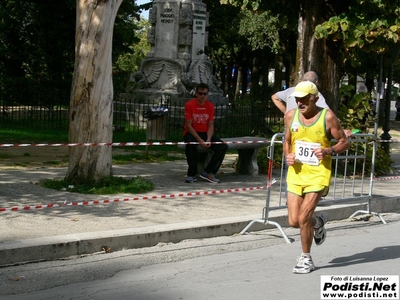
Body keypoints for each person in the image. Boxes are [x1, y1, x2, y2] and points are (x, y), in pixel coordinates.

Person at [284, 81, 349, 274]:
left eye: (304, 98)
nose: (300, 102)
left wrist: (329, 150)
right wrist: (287, 154)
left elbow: (344, 142)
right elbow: (287, 140)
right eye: (297, 98)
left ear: (315, 98)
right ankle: (317, 224)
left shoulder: (327, 117)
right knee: (294, 221)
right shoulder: (290, 116)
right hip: (296, 173)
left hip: (318, 174)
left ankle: (306, 258)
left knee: (304, 216)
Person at [183, 83, 228, 184]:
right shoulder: (189, 105)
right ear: (196, 93)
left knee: (222, 146)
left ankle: (208, 172)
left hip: (205, 132)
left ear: (207, 94)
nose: (202, 96)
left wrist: (208, 139)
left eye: (205, 94)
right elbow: (189, 125)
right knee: (190, 146)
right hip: (192, 132)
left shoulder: (210, 106)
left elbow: (211, 124)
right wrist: (200, 140)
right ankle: (192, 174)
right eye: (200, 93)